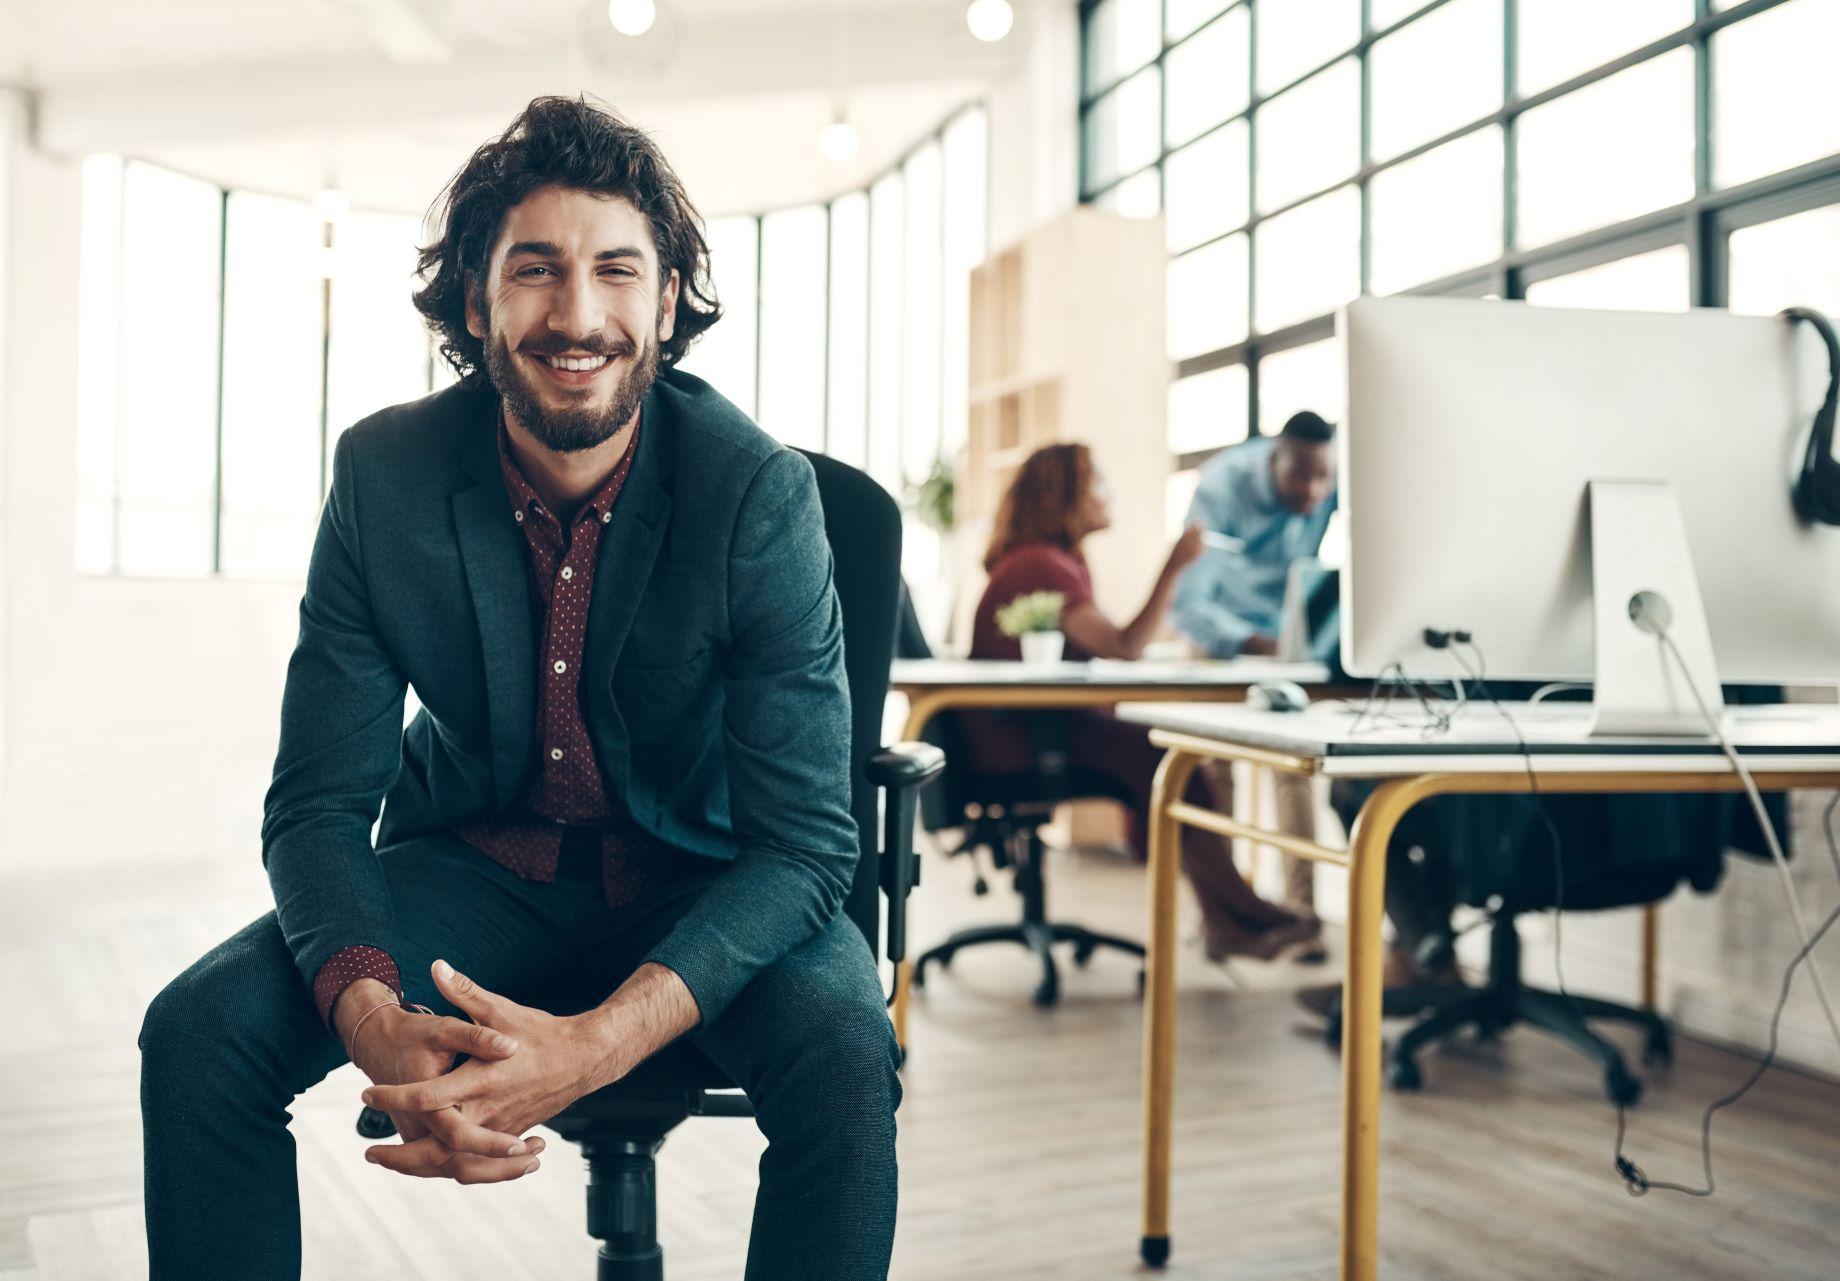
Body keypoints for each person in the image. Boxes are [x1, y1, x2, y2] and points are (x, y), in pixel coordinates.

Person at [137, 96, 900, 1281]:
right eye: (535, 270)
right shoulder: (384, 479)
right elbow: (319, 805)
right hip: (475, 874)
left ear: (664, 299)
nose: (578, 314)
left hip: (701, 878)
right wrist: (372, 1021)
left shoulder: (757, 493)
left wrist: (598, 1044)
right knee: (198, 1034)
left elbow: (806, 846)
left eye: (617, 271)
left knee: (849, 1050)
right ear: (477, 301)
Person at [962, 443, 1317, 961]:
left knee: (1169, 757)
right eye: (1097, 484)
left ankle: (1228, 919)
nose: (1108, 495)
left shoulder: (1053, 561)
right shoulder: (1040, 563)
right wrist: (1174, 567)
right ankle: (1239, 913)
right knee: (1169, 759)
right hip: (1023, 743)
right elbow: (1124, 647)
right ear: (1064, 494)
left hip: (1041, 729)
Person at [1170, 410, 1338, 944]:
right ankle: (1226, 911)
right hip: (1220, 635)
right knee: (1215, 768)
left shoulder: (1329, 483)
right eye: (1300, 478)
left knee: (1294, 768)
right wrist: (1251, 642)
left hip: (1283, 640)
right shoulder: (1222, 488)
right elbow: (1189, 600)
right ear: (1274, 458)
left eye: (1322, 479)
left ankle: (1301, 915)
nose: (1313, 493)